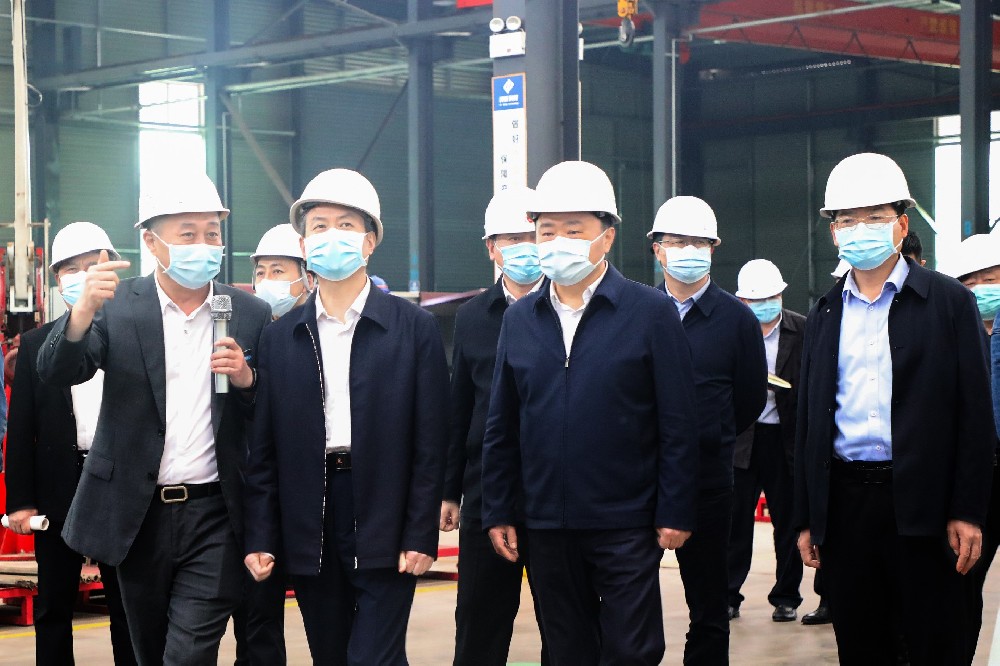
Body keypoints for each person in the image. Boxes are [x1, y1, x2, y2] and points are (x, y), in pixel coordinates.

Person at [37, 173, 272, 665]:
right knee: (149, 649)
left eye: (212, 232)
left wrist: (248, 379)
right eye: (188, 233)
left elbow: (267, 413)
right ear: (151, 241)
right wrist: (82, 312)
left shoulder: (247, 311)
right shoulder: (118, 306)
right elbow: (59, 370)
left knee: (189, 653)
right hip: (137, 513)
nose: (203, 244)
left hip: (215, 514)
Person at [481, 161, 700, 665]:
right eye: (547, 231)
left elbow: (678, 421)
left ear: (607, 236)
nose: (557, 241)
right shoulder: (520, 319)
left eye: (574, 229)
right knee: (566, 649)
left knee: (632, 649)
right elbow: (502, 424)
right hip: (545, 522)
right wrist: (499, 508)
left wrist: (675, 508)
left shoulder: (650, 313)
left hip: (626, 520)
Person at [794, 152, 995, 664]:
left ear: (902, 225)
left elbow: (975, 416)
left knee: (935, 640)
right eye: (846, 220)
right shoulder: (825, 312)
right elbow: (810, 424)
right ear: (833, 233)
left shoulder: (949, 303)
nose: (860, 229)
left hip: (927, 505)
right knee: (862, 643)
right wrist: (809, 518)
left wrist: (967, 510)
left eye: (875, 217)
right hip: (847, 506)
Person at [243, 168, 449, 664]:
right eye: (319, 226)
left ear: (370, 241)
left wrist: (420, 531)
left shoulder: (413, 328)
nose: (331, 235)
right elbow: (264, 451)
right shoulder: (281, 338)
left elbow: (430, 442)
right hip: (310, 512)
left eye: (346, 225)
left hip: (384, 505)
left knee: (373, 656)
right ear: (304, 243)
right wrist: (262, 535)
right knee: (331, 654)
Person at [5, 223, 136, 666]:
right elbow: (21, 427)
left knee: (127, 604)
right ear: (57, 281)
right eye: (71, 269)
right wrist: (21, 502)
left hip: (119, 482)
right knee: (54, 603)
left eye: (91, 265)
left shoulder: (134, 335)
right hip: (60, 483)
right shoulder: (37, 343)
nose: (82, 276)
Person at [647, 196, 767, 663]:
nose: (688, 251)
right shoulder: (635, 311)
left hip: (709, 481)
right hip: (640, 479)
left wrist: (709, 433)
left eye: (698, 242)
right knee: (629, 597)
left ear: (714, 249)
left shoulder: (737, 319)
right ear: (657, 249)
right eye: (677, 242)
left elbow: (749, 399)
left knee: (709, 606)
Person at [441, 188, 548, 666]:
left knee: (566, 622)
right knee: (480, 621)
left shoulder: (568, 309)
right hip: (487, 490)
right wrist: (450, 491)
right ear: (490, 247)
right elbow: (460, 406)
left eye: (532, 236)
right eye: (511, 239)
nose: (524, 248)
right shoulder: (472, 317)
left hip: (554, 492)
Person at [231, 222, 314, 666]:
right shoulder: (249, 333)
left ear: (307, 276)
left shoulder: (321, 335)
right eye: (260, 272)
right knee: (257, 613)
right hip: (256, 493)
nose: (267, 282)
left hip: (309, 494)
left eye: (278, 271)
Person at [726, 259, 806, 623]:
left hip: (784, 438)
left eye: (772, 297)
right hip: (742, 436)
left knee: (787, 522)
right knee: (736, 523)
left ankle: (786, 596)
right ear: (742, 301)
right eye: (758, 300)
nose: (766, 305)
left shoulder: (802, 330)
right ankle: (728, 595)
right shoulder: (731, 331)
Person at [944, 233, 1000, 660]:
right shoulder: (949, 336)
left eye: (992, 278)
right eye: (971, 281)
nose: (982, 288)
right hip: (975, 480)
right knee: (961, 583)